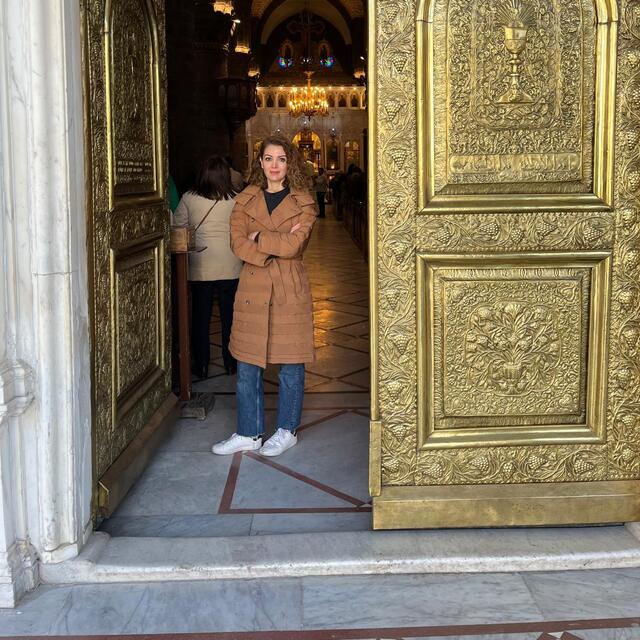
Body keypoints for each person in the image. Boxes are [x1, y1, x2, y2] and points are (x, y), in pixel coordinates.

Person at [212, 134, 318, 457]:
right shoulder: (245, 200)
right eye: (269, 159)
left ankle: (287, 429)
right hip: (253, 287)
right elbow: (238, 244)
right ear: (260, 162)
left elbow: (295, 245)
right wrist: (275, 243)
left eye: (281, 159)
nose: (274, 165)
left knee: (290, 362)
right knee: (247, 362)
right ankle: (249, 431)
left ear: (290, 164)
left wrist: (260, 237)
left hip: (289, 288)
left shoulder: (304, 202)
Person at [173, 156, 242, 378]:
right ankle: (231, 363)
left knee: (200, 316)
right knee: (230, 315)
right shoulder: (236, 199)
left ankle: (201, 364)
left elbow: (178, 226)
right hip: (230, 264)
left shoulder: (189, 198)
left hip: (200, 265)